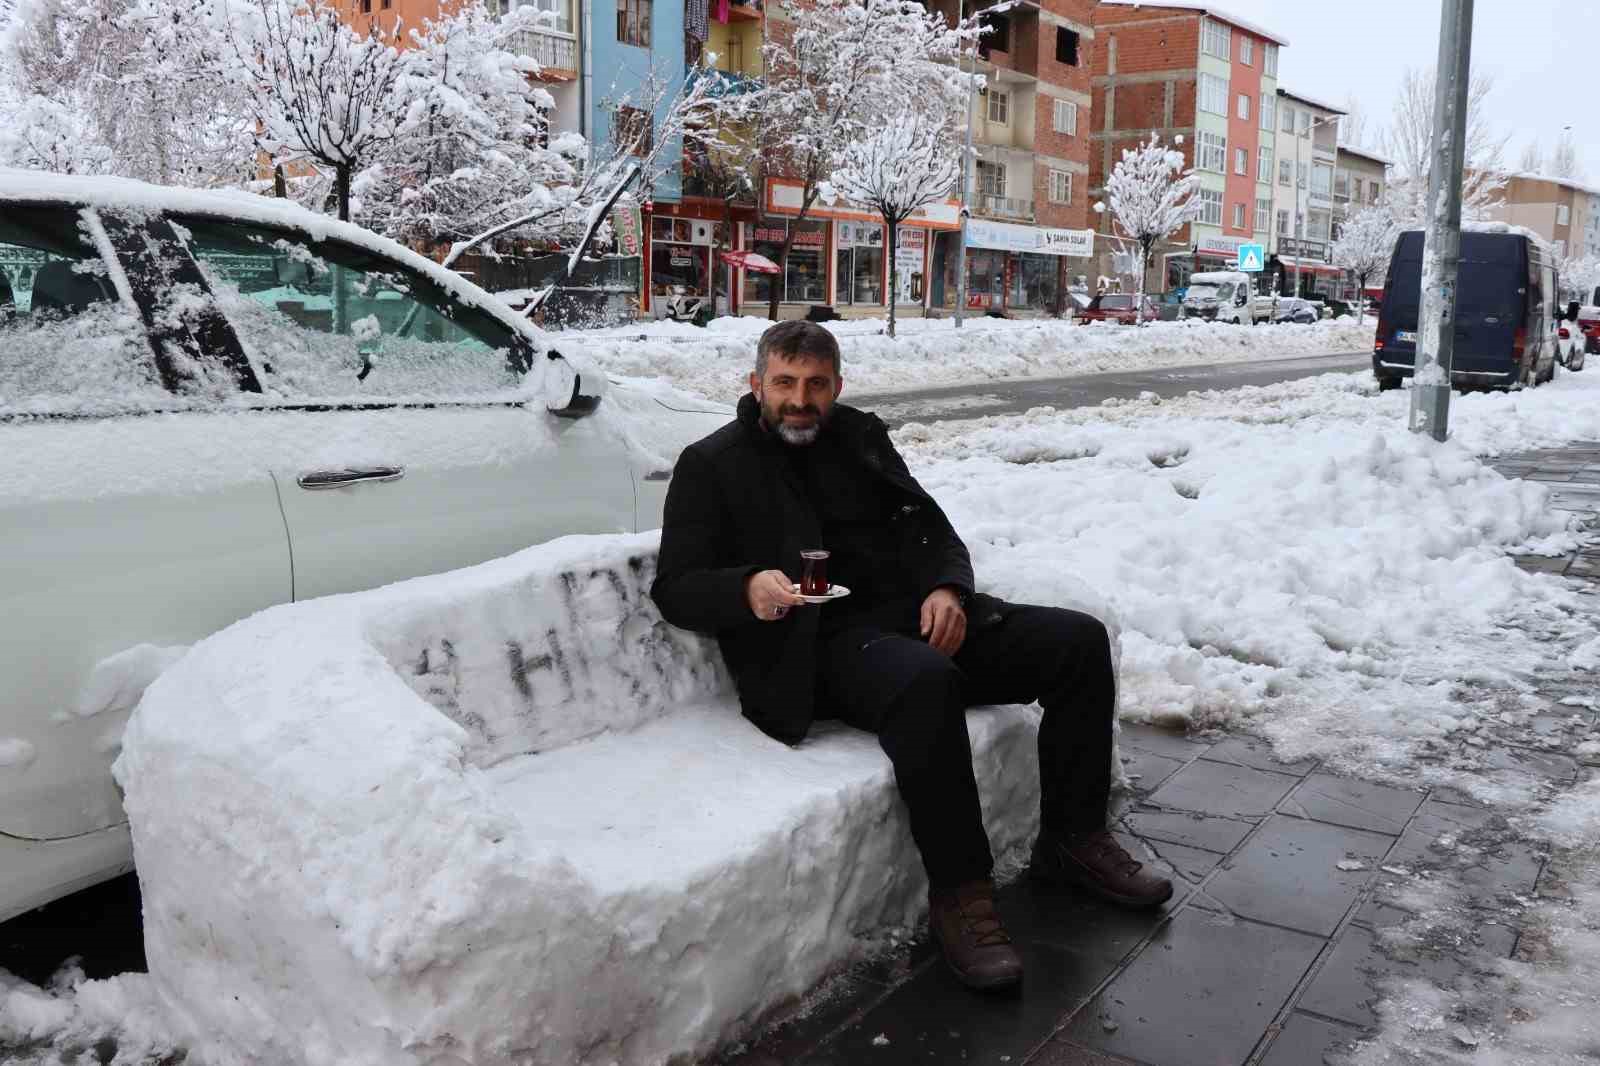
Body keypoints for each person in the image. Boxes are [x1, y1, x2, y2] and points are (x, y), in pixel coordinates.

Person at [650, 321, 1172, 993]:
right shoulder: (714, 463)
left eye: (816, 384)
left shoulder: (859, 437)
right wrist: (747, 587)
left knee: (1076, 642)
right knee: (926, 682)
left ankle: (1073, 841)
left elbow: (929, 528)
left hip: (913, 621)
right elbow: (676, 586)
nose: (800, 400)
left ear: (837, 387)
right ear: (756, 385)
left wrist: (947, 588)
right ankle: (961, 894)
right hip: (817, 647)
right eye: (784, 383)